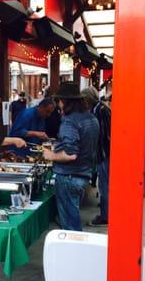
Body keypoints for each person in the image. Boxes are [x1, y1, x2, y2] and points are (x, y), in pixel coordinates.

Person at [43, 82, 99, 231]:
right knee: (73, 217)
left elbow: (71, 154)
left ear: (64, 101)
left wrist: (51, 155)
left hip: (70, 176)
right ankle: (76, 248)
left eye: (58, 101)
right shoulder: (91, 118)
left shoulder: (70, 121)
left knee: (70, 224)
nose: (58, 105)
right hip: (84, 173)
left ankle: (75, 251)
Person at [81, 86, 111, 226]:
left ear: (88, 99)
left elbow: (104, 135)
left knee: (104, 186)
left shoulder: (99, 111)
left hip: (104, 153)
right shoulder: (100, 109)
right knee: (104, 185)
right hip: (103, 153)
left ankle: (105, 216)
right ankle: (106, 212)